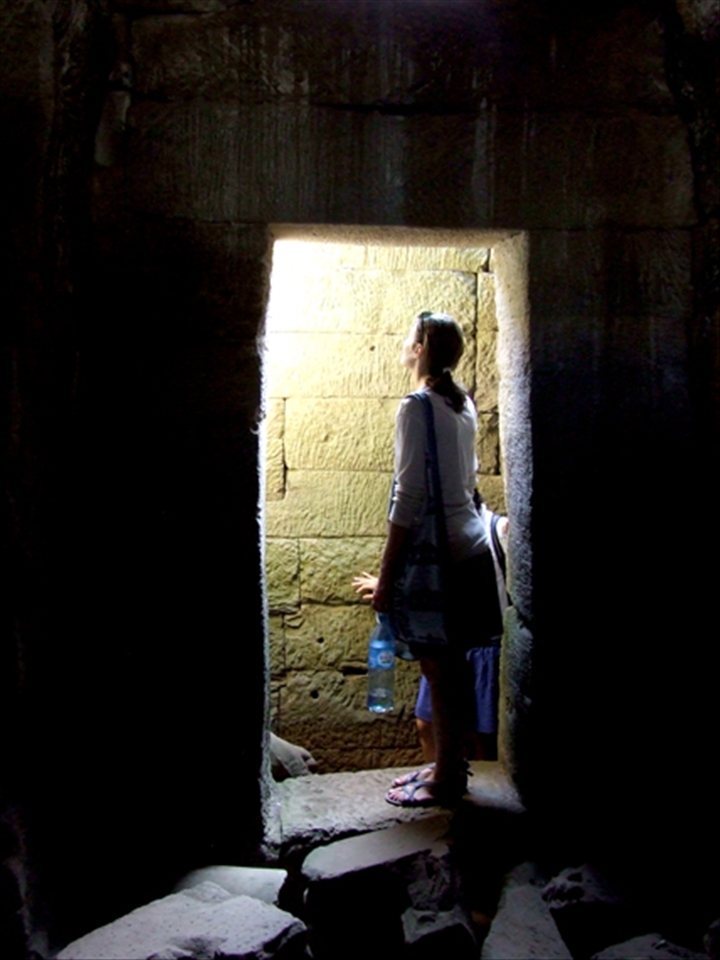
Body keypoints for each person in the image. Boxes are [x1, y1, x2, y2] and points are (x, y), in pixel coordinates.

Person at [353, 311, 503, 807]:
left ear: (421, 348)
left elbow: (409, 499)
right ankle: (448, 765)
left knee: (439, 670)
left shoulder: (416, 407)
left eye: (408, 337)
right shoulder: (460, 404)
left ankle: (446, 779)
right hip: (472, 548)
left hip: (442, 557)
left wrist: (387, 579)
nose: (402, 342)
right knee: (452, 667)